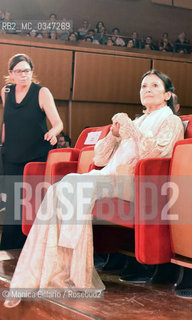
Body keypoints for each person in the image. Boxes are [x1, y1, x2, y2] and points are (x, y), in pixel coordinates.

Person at [4, 70, 184, 308]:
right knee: (63, 185)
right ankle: (58, 267)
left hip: (138, 182)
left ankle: (73, 273)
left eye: (154, 86)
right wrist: (114, 134)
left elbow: (156, 156)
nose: (147, 89)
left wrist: (132, 129)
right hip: (108, 176)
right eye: (143, 86)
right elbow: (100, 158)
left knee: (73, 185)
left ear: (167, 94)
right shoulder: (138, 120)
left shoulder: (169, 120)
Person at [0, 53, 63, 251]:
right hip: (11, 155)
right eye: (19, 71)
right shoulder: (6, 91)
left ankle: (33, 251)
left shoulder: (42, 92)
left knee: (30, 204)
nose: (24, 75)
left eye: (27, 71)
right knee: (12, 207)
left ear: (31, 72)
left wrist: (53, 132)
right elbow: (7, 122)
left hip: (36, 156)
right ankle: (9, 252)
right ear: (11, 73)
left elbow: (58, 123)